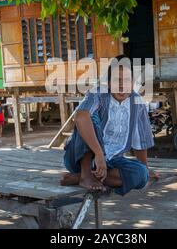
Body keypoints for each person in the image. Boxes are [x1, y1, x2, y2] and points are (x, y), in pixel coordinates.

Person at [60, 55, 159, 195]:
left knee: (141, 174)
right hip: (78, 158)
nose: (121, 86)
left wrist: (146, 168)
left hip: (113, 160)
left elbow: (140, 140)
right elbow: (80, 118)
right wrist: (99, 153)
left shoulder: (137, 101)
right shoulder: (97, 94)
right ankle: (85, 174)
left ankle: (84, 178)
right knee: (89, 115)